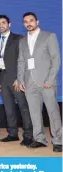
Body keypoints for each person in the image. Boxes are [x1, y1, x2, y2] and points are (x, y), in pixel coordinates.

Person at [17, 12, 62, 152]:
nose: (28, 23)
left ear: (37, 21)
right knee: (34, 113)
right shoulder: (22, 41)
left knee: (53, 112)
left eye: (31, 20)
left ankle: (58, 140)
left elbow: (56, 59)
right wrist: (20, 79)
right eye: (25, 21)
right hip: (29, 83)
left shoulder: (49, 36)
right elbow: (21, 61)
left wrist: (50, 79)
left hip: (46, 82)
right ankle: (39, 139)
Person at [0, 15, 32, 146]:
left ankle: (28, 135)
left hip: (16, 80)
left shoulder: (18, 39)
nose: (1, 25)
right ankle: (13, 134)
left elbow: (25, 60)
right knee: (8, 108)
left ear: (10, 24)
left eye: (3, 23)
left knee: (23, 107)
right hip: (2, 80)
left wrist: (20, 78)